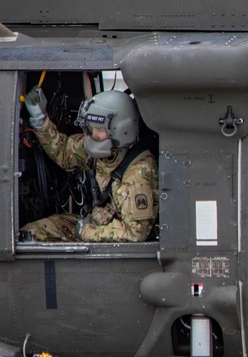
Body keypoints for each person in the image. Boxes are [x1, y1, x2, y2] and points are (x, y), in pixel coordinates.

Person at [21, 87, 158, 242]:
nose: (93, 134)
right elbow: (64, 151)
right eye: (91, 128)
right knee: (31, 234)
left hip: (110, 239)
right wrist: (40, 119)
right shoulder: (101, 148)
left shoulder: (139, 171)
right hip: (93, 223)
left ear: (121, 130)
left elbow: (134, 234)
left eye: (99, 129)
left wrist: (86, 232)